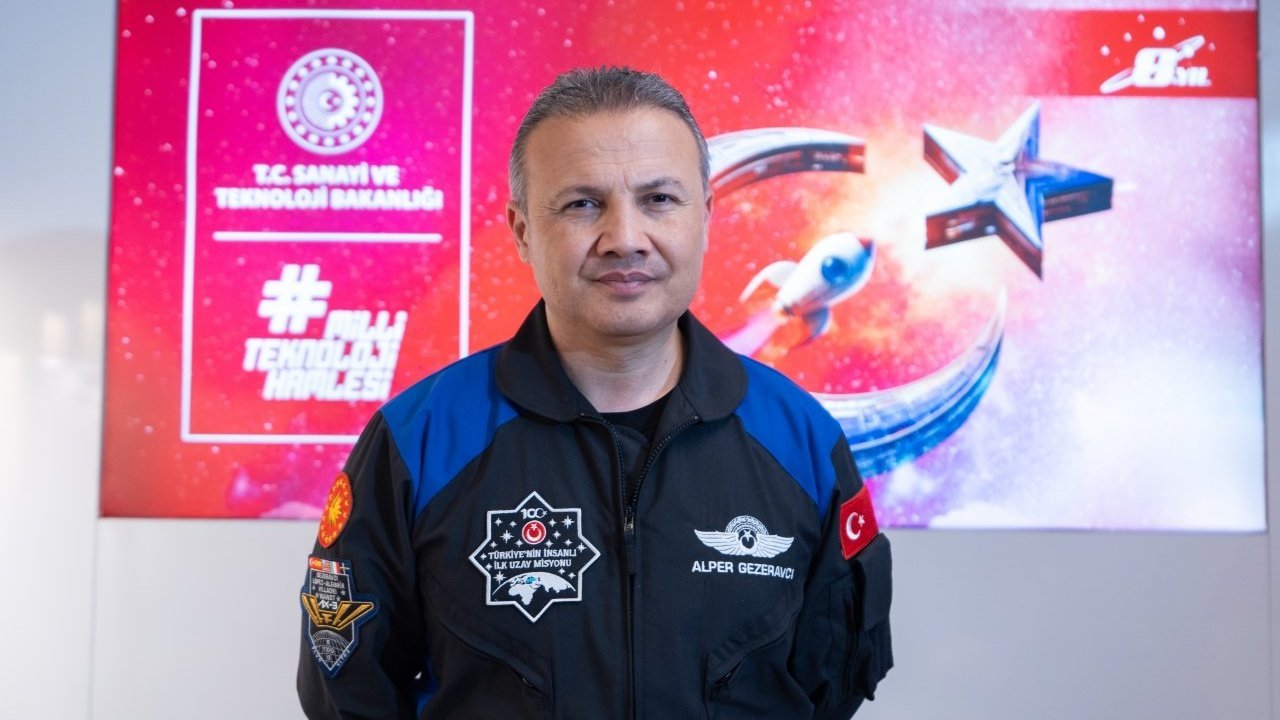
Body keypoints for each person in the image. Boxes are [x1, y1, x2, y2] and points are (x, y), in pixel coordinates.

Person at [298, 65, 892, 719]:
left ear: (705, 216)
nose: (625, 239)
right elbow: (348, 692)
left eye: (658, 199)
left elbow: (830, 682)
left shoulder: (801, 441)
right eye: (583, 204)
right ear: (522, 230)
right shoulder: (422, 440)